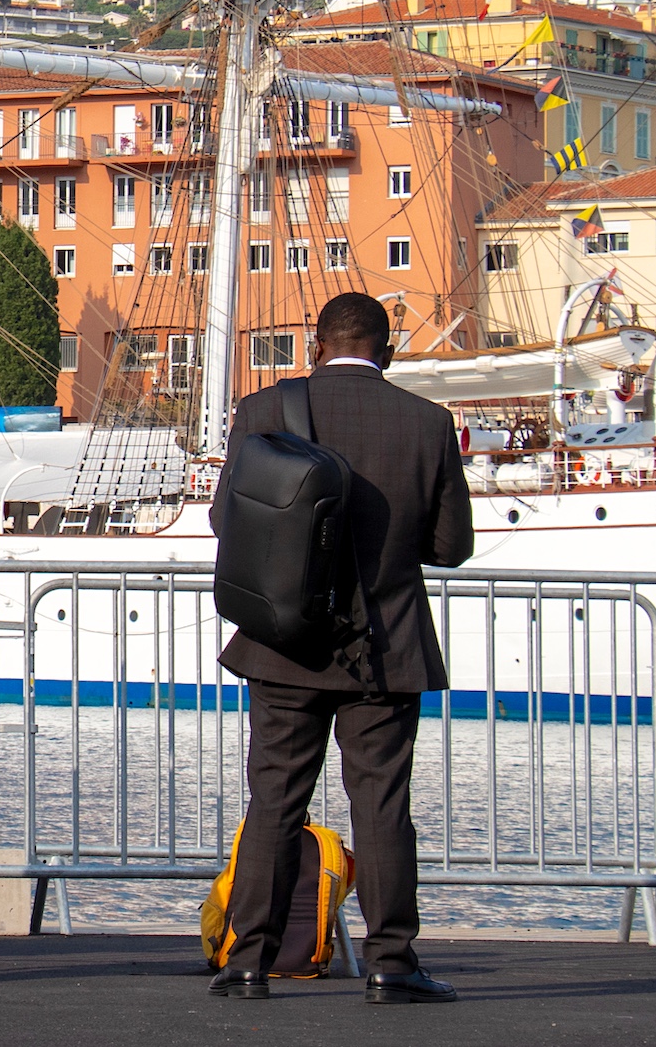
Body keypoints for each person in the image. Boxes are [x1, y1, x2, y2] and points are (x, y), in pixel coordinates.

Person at [209, 291, 474, 1005]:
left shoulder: (265, 410)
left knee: (273, 802)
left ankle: (247, 960)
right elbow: (451, 547)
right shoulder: (428, 422)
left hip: (284, 645)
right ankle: (392, 962)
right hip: (385, 649)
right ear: (388, 351)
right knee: (382, 804)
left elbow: (224, 518)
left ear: (315, 343)